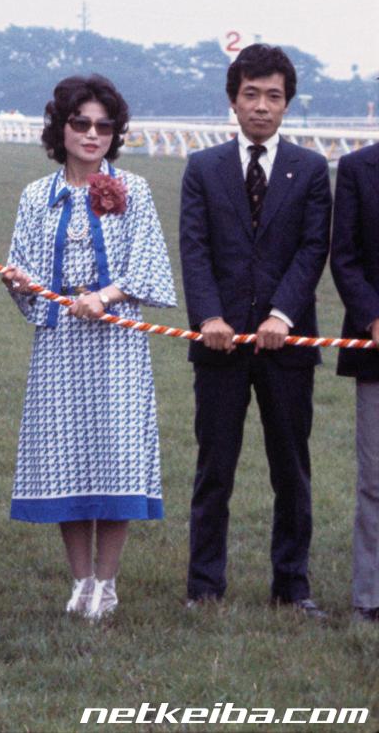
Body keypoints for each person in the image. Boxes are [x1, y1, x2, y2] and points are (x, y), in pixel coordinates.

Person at [0, 75, 176, 619]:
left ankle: (108, 580)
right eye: (81, 123)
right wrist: (17, 279)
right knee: (66, 458)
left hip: (117, 343)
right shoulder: (36, 195)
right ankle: (80, 580)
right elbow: (23, 262)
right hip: (59, 343)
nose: (92, 134)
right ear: (62, 128)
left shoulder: (136, 190)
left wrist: (106, 295)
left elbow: (147, 262)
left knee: (116, 456)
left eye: (104, 126)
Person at [179, 44, 331, 617]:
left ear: (287, 103)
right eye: (251, 95)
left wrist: (281, 317)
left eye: (273, 96)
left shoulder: (311, 169)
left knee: (291, 469)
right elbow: (194, 250)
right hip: (218, 346)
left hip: (286, 347)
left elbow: (312, 248)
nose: (261, 107)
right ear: (232, 100)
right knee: (214, 468)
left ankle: (292, 587)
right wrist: (209, 319)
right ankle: (204, 588)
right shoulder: (202, 168)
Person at [330, 139, 379, 621]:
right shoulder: (357, 168)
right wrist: (373, 317)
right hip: (376, 349)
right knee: (375, 479)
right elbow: (343, 258)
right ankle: (370, 596)